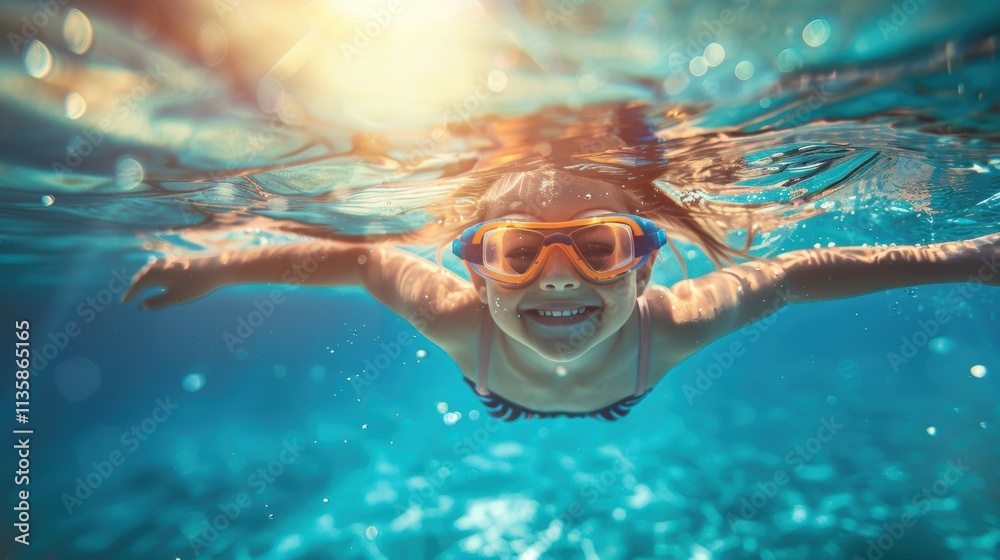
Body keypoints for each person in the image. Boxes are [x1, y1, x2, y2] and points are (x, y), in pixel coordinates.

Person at [124, 163, 1000, 421]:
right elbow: (356, 259)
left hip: (625, 380)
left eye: (596, 247)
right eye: (513, 253)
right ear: (474, 268)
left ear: (644, 264)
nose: (556, 279)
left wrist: (969, 255)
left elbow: (794, 272)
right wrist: (217, 264)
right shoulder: (462, 320)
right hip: (498, 383)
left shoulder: (673, 323)